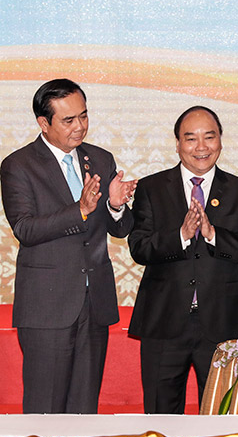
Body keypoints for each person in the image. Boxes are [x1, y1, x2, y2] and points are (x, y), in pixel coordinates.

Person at [0, 78, 136, 413]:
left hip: (95, 302)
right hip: (48, 307)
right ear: (43, 123)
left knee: (84, 409)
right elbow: (25, 228)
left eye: (84, 116)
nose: (80, 127)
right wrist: (79, 210)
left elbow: (120, 230)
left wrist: (116, 206)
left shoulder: (101, 159)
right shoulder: (19, 166)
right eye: (69, 120)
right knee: (46, 408)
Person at [128, 106, 238, 413]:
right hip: (164, 321)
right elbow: (139, 247)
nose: (201, 147)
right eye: (190, 139)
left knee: (222, 415)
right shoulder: (152, 188)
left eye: (209, 137)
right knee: (162, 415)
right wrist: (181, 236)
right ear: (177, 144)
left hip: (223, 323)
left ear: (220, 141)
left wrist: (213, 234)